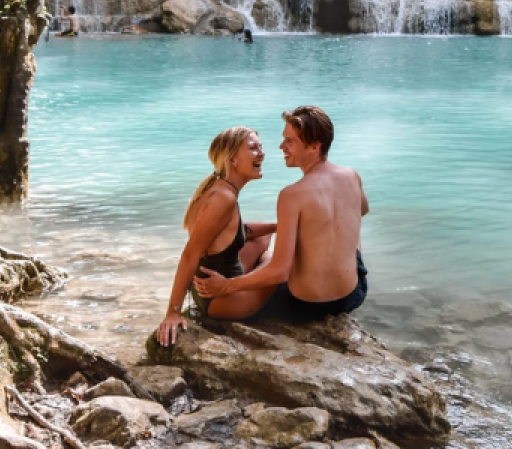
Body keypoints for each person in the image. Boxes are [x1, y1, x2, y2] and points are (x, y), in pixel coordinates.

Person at [194, 106, 369, 323]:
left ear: (315, 146)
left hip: (308, 306)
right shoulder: (351, 176)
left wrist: (227, 285)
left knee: (272, 261)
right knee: (342, 233)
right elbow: (361, 210)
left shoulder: (292, 195)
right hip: (354, 294)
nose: (281, 146)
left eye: (289, 141)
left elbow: (279, 272)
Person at [156, 127, 277, 346]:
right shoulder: (223, 199)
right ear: (232, 160)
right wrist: (173, 312)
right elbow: (190, 254)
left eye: (261, 147)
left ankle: (243, 279)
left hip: (206, 288)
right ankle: (244, 282)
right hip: (222, 301)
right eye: (253, 148)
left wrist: (278, 226)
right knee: (279, 263)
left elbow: (235, 230)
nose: (262, 153)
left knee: (263, 238)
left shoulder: (217, 186)